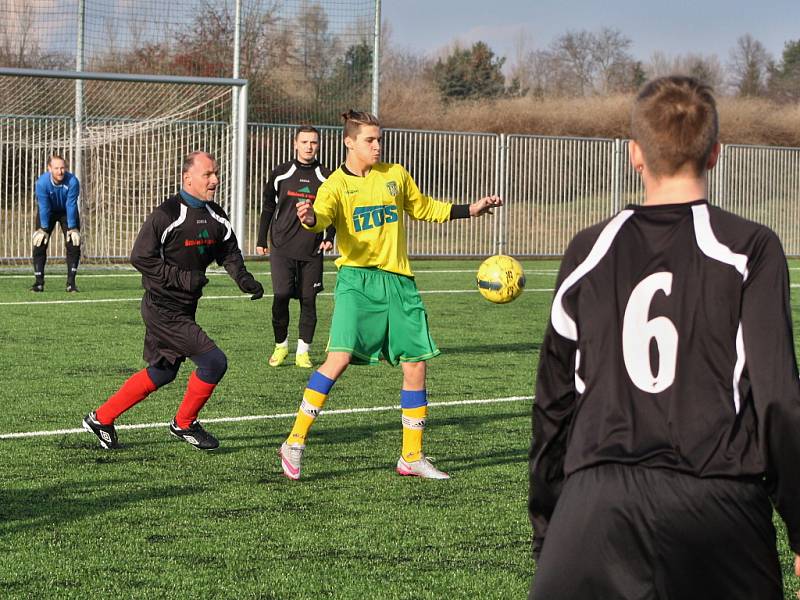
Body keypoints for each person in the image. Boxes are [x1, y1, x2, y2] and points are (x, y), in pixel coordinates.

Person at [529, 76, 800, 599]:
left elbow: (552, 405)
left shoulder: (587, 249)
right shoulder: (751, 248)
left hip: (593, 508)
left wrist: (551, 524)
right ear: (716, 153)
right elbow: (780, 401)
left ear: (635, 154)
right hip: (717, 507)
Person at [278, 109, 502, 481]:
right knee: (338, 359)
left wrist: (471, 209)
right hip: (357, 281)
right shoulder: (334, 184)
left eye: (379, 139)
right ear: (349, 142)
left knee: (416, 363)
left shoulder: (394, 176)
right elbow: (319, 217)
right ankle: (294, 442)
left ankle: (411, 456)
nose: (377, 146)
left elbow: (425, 208)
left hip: (399, 282)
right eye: (370, 140)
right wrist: (307, 218)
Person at [82, 151, 264, 451]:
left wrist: (244, 280)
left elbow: (228, 251)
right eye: (208, 174)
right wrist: (183, 278)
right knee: (214, 362)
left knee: (163, 372)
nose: (215, 180)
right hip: (162, 308)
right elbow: (140, 257)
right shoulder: (167, 214)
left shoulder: (216, 215)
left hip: (184, 308)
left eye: (215, 173)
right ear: (187, 178)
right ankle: (184, 424)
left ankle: (101, 418)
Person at [256, 126, 335, 369]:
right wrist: (261, 239)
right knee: (280, 296)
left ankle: (303, 351)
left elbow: (334, 209)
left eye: (313, 142)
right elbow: (269, 206)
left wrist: (329, 235)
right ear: (295, 144)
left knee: (308, 300)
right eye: (304, 141)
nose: (309, 146)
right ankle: (281, 346)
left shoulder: (326, 176)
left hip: (312, 248)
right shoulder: (281, 173)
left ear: (318, 145)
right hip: (281, 245)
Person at [31, 154, 81, 293]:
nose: (60, 171)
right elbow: (44, 206)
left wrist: (72, 227)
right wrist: (44, 228)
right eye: (56, 168)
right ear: (49, 168)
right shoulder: (42, 183)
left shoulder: (73, 181)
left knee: (73, 243)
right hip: (49, 211)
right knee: (39, 243)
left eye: (62, 168)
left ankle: (71, 284)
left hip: (67, 211)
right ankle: (38, 283)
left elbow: (71, 204)